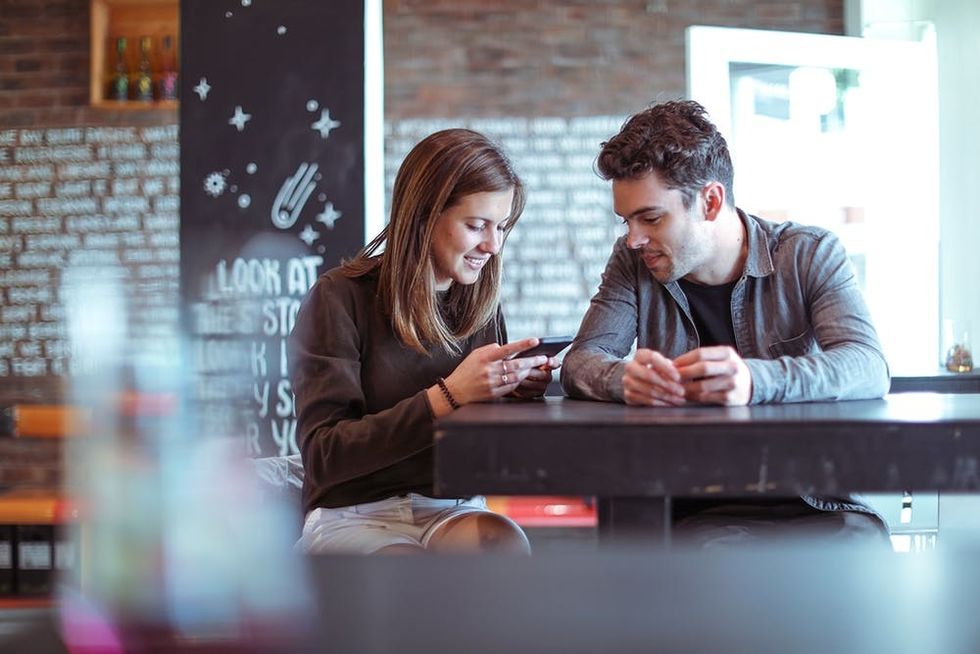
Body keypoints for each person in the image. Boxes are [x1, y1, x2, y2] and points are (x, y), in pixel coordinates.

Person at [560, 100, 891, 547]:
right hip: (698, 507)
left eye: (651, 218)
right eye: (627, 221)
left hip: (823, 503)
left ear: (710, 201)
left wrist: (754, 380)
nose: (634, 239)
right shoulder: (632, 262)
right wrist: (624, 380)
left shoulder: (809, 254)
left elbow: (867, 365)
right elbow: (580, 361)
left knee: (861, 562)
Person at [290, 129, 558, 555]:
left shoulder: (480, 301)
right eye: (476, 226)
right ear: (424, 215)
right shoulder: (339, 297)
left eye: (502, 227)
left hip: (453, 507)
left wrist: (511, 394)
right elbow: (325, 456)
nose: (493, 245)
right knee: (409, 577)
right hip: (355, 512)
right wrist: (448, 396)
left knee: (503, 545)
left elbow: (484, 449)